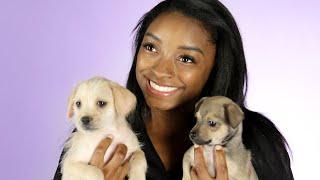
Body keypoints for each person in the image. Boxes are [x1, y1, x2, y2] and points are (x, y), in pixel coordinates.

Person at [54, 0, 294, 179]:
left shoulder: (256, 141)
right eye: (151, 47)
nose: (161, 70)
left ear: (217, 67)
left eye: (187, 59)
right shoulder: (96, 141)